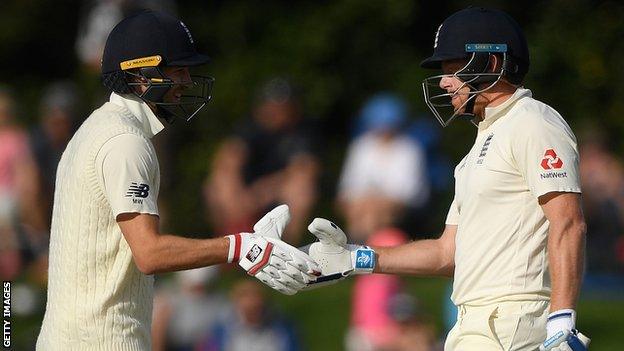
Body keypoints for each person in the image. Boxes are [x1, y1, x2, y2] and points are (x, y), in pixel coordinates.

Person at [304, 7, 590, 351]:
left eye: (453, 68)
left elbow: (568, 222)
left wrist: (561, 321)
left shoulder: (533, 122)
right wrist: (355, 257)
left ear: (493, 64)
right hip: (474, 322)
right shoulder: (476, 151)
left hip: (512, 319)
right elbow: (445, 254)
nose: (444, 81)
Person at [36, 11, 319, 351]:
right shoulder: (125, 142)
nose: (186, 80)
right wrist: (240, 246)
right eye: (177, 70)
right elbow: (150, 253)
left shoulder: (93, 131)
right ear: (141, 74)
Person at [205, 77, 320, 244]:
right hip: (246, 192)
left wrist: (262, 192)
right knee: (218, 185)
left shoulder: (303, 132)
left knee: (301, 189)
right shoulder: (249, 127)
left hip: (276, 191)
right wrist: (239, 193)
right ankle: (226, 246)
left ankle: (287, 250)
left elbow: (304, 169)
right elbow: (228, 160)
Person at [337, 93, 429, 242]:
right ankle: (369, 252)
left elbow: (409, 192)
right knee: (366, 210)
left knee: (371, 213)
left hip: (400, 205)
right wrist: (366, 199)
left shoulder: (409, 149)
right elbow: (349, 185)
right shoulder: (362, 145)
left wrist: (375, 199)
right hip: (362, 203)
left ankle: (356, 251)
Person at [196, 279, 301, 351]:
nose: (253, 305)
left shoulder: (283, 329)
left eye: (257, 306)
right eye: (248, 308)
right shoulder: (219, 331)